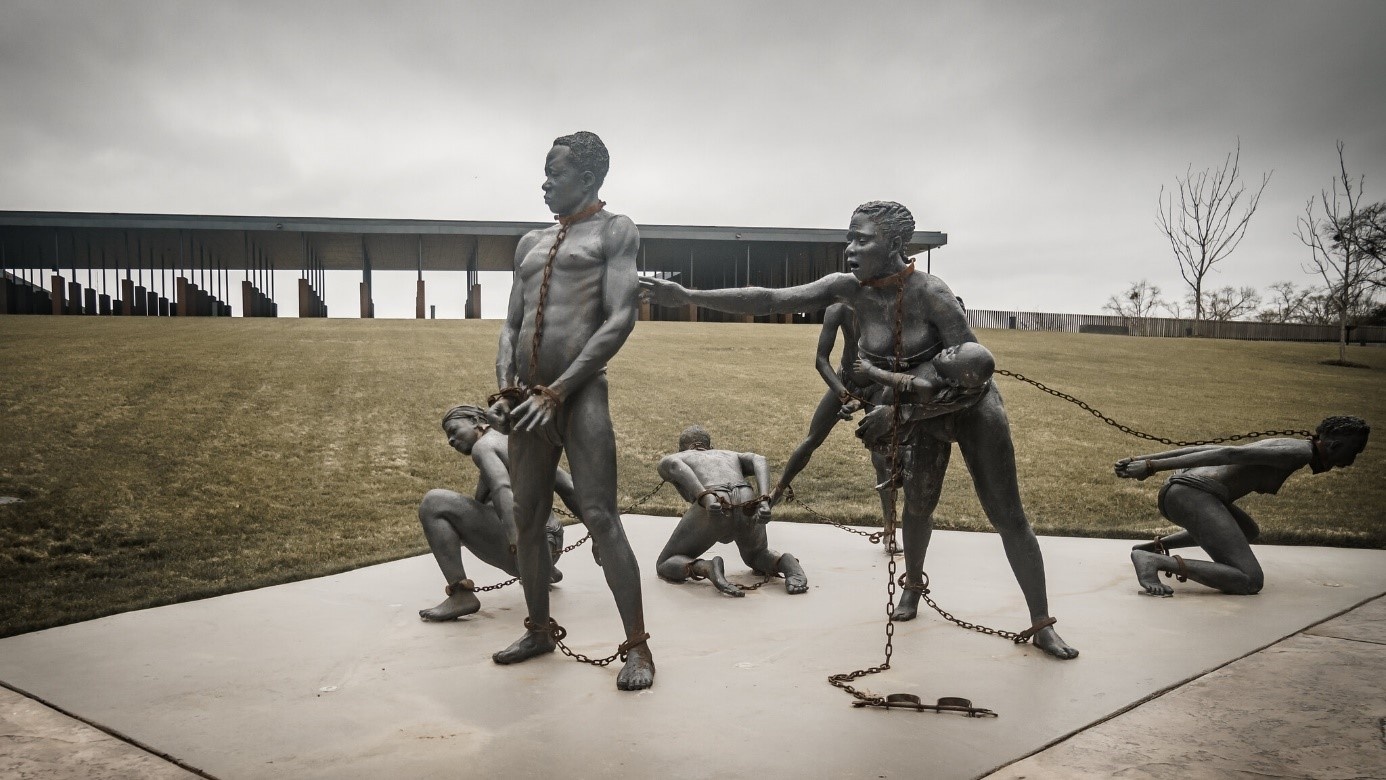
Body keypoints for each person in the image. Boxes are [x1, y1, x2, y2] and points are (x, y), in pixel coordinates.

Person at [640, 200, 1078, 659]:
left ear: (893, 244)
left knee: (1008, 517)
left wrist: (901, 414)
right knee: (918, 506)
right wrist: (688, 295)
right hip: (915, 407)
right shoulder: (848, 290)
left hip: (970, 408)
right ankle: (912, 586)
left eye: (861, 239)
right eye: (849, 237)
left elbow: (973, 375)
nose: (850, 248)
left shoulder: (933, 294)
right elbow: (770, 298)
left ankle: (1042, 623)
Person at [485, 131, 654, 690]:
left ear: (587, 178)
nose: (544, 182)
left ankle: (637, 649)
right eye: (545, 171)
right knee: (528, 519)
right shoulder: (529, 241)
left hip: (578, 395)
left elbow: (620, 317)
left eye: (554, 173)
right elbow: (510, 324)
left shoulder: (616, 231)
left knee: (600, 516)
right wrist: (508, 387)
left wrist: (557, 391)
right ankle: (537, 628)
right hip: (527, 402)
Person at [1116, 415, 1370, 596]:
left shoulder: (1298, 446)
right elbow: (1229, 454)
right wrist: (1150, 466)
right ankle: (1152, 561)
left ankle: (1155, 547)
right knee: (1249, 580)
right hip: (1191, 496)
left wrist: (1144, 460)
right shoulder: (1298, 452)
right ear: (1336, 445)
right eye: (1355, 452)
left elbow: (1212, 449)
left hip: (1189, 493)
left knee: (1248, 531)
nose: (1353, 459)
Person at [417, 404, 577, 621]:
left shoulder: (483, 447)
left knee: (433, 503)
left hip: (526, 549)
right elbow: (568, 485)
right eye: (448, 437)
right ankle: (547, 569)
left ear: (475, 421)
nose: (450, 441)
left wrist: (518, 544)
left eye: (454, 431)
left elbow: (503, 490)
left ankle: (460, 595)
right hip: (551, 544)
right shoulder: (516, 440)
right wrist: (599, 535)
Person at [771, 303, 900, 552]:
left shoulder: (885, 307)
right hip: (845, 381)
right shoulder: (838, 310)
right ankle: (773, 496)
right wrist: (843, 395)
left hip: (876, 388)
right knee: (811, 441)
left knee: (880, 456)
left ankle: (889, 529)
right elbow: (821, 360)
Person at [656, 426, 808, 597]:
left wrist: (705, 497)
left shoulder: (680, 456)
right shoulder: (728, 454)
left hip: (714, 498)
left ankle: (705, 567)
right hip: (746, 498)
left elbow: (675, 465)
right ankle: (784, 563)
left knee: (665, 563)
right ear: (710, 447)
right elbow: (759, 459)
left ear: (684, 448)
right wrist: (763, 499)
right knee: (757, 555)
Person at [850, 342, 996, 453]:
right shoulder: (934, 365)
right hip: (887, 397)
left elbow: (895, 379)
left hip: (895, 421)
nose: (947, 350)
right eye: (954, 348)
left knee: (876, 439)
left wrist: (869, 370)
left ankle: (894, 462)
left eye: (952, 355)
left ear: (952, 382)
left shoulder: (927, 386)